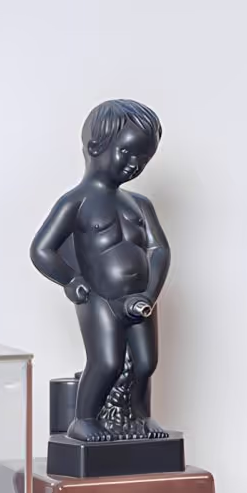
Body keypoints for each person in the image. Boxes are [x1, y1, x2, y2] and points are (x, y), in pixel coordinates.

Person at [30, 99, 171, 443]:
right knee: (106, 362)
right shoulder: (75, 202)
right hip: (99, 298)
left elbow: (158, 249)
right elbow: (42, 249)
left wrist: (150, 293)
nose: (135, 165)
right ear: (96, 147)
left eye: (144, 159)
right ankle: (84, 418)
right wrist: (71, 280)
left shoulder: (140, 205)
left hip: (140, 298)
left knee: (145, 363)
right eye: (127, 153)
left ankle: (141, 415)